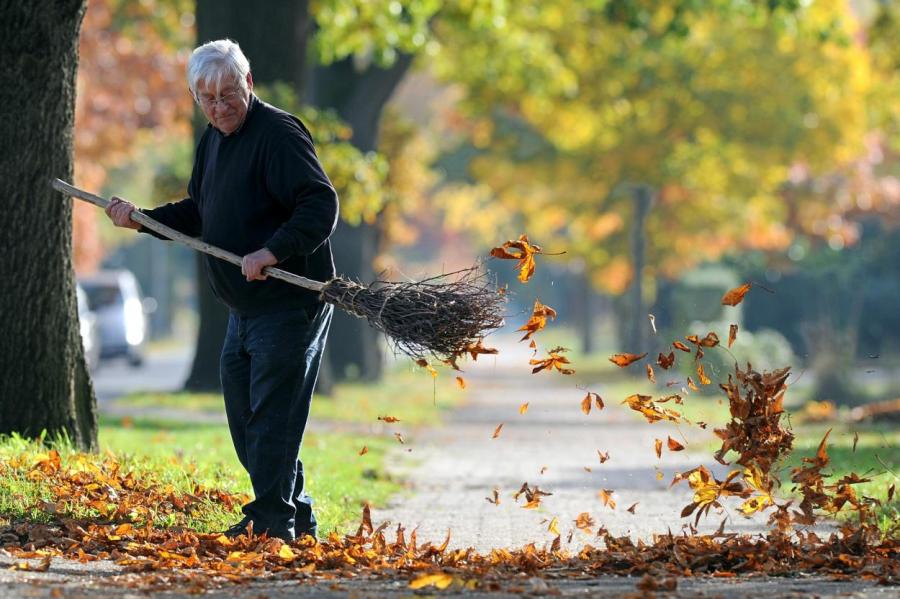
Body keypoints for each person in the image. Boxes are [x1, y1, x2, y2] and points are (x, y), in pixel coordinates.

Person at [105, 39, 338, 542]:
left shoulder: (278, 134)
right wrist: (141, 220)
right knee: (245, 420)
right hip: (244, 307)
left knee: (271, 418)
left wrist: (273, 250)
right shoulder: (212, 140)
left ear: (248, 83)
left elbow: (319, 204)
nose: (219, 107)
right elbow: (199, 213)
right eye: (206, 98)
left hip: (289, 302)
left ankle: (271, 524)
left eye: (228, 94)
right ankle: (296, 514)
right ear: (195, 98)